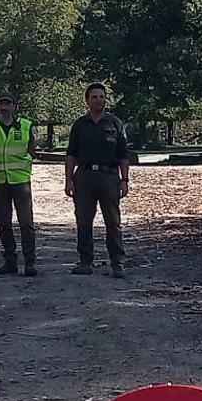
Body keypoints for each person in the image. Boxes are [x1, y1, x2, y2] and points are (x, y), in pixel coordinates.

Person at [64, 83, 131, 278]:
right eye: (94, 97)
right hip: (84, 177)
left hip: (109, 176)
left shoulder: (115, 124)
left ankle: (117, 262)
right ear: (87, 101)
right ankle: (85, 261)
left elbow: (123, 154)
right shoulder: (79, 125)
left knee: (113, 221)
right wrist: (68, 180)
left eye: (102, 96)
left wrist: (124, 179)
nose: (99, 100)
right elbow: (71, 154)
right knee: (83, 221)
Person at [0, 93, 38, 276]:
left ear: (14, 106)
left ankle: (30, 262)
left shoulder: (26, 126)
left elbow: (32, 149)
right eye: (1, 104)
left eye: (8, 103)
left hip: (20, 180)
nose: (4, 107)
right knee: (3, 222)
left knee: (26, 223)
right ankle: (10, 261)